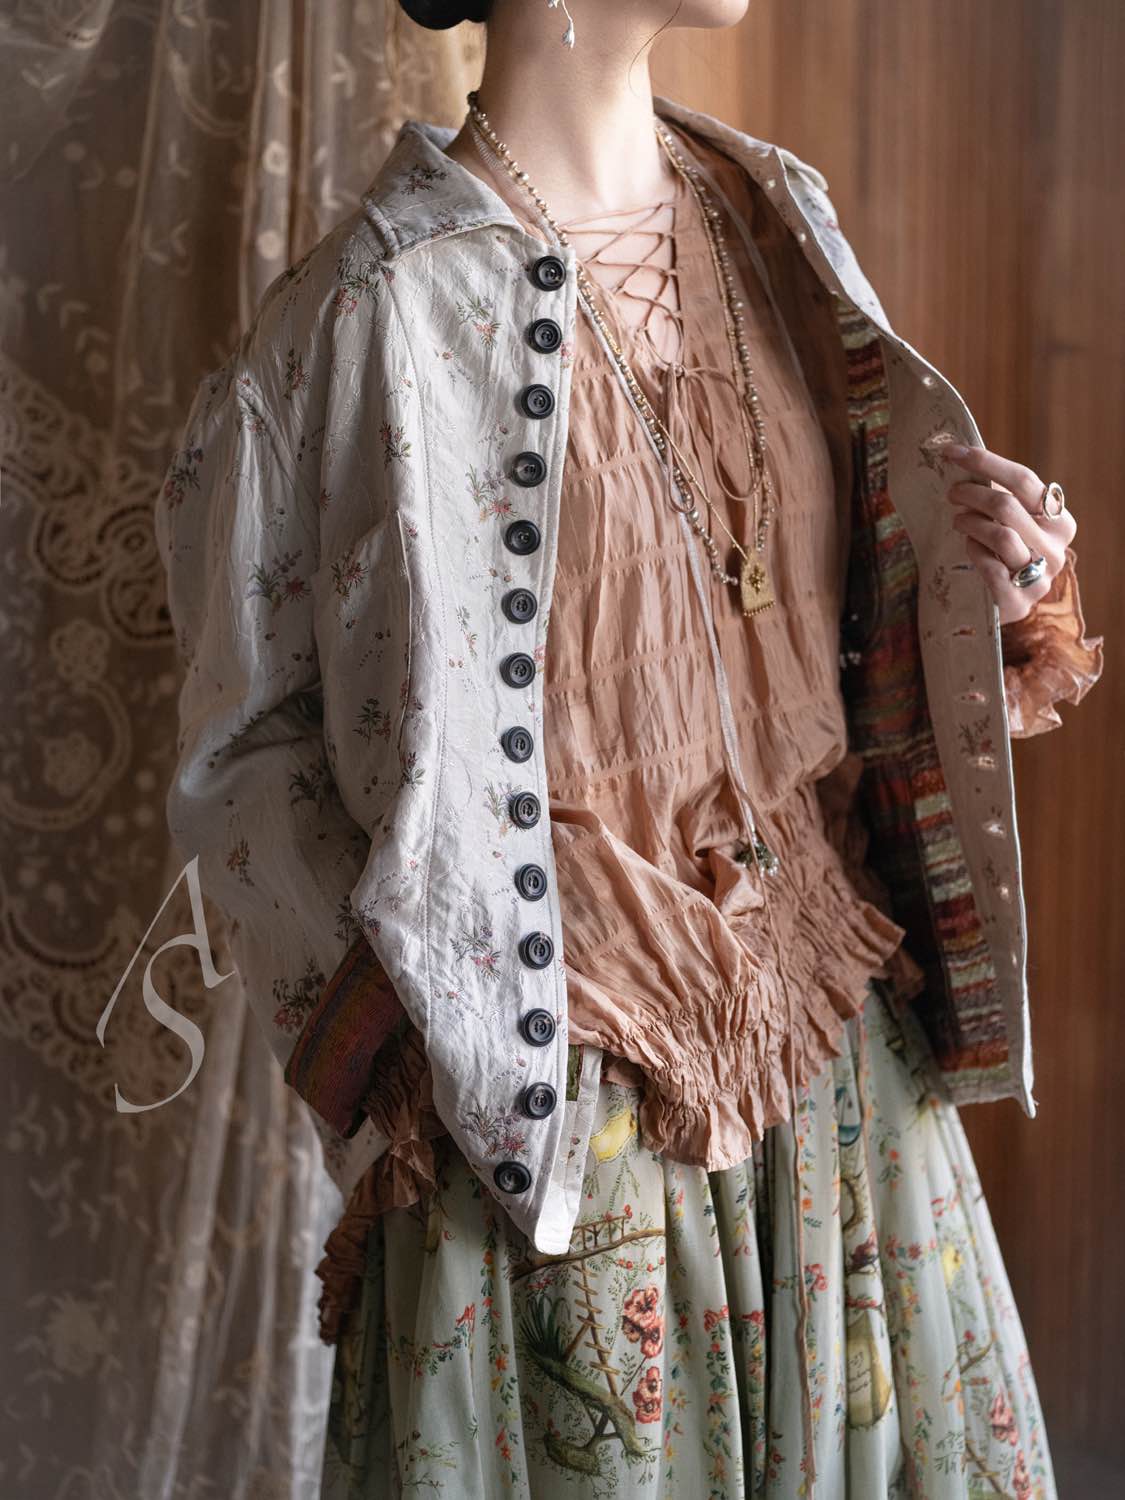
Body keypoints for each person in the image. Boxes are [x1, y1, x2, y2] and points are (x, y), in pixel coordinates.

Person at [156, 1, 1103, 1495]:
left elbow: (821, 638)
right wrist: (422, 1044)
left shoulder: (768, 218)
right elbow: (245, 758)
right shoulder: (372, 316)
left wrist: (979, 591)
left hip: (841, 1081)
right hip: (567, 1139)